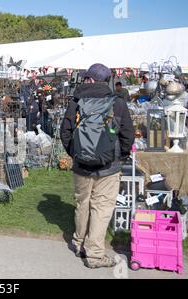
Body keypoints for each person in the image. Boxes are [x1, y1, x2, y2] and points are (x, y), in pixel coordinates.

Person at [60, 63, 134, 269]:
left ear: (91, 79)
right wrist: (121, 156)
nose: (84, 81)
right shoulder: (117, 102)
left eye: (86, 78)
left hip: (81, 166)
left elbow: (64, 132)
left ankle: (78, 244)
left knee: (82, 203)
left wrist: (76, 153)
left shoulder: (76, 101)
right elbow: (127, 134)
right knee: (101, 208)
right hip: (109, 166)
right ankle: (94, 254)